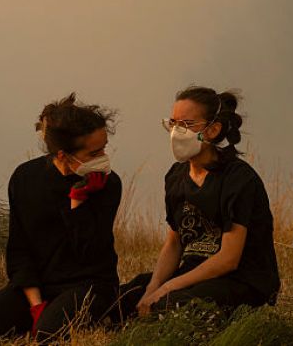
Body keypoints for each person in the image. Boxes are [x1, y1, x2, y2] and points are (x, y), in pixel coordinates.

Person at [0, 94, 121, 343]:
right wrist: (35, 304)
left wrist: (78, 202)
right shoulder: (25, 178)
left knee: (47, 334)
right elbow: (20, 250)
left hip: (90, 285)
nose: (102, 158)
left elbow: (92, 254)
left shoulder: (108, 184)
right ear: (63, 155)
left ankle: (102, 316)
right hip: (38, 285)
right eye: (94, 153)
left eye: (104, 148)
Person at [119, 87, 279, 318]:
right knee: (122, 298)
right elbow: (174, 243)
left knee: (168, 307)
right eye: (173, 123)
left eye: (186, 124)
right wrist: (152, 287)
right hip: (193, 272)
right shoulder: (176, 176)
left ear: (213, 129)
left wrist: (167, 288)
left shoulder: (238, 178)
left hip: (238, 280)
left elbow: (228, 259)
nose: (176, 132)